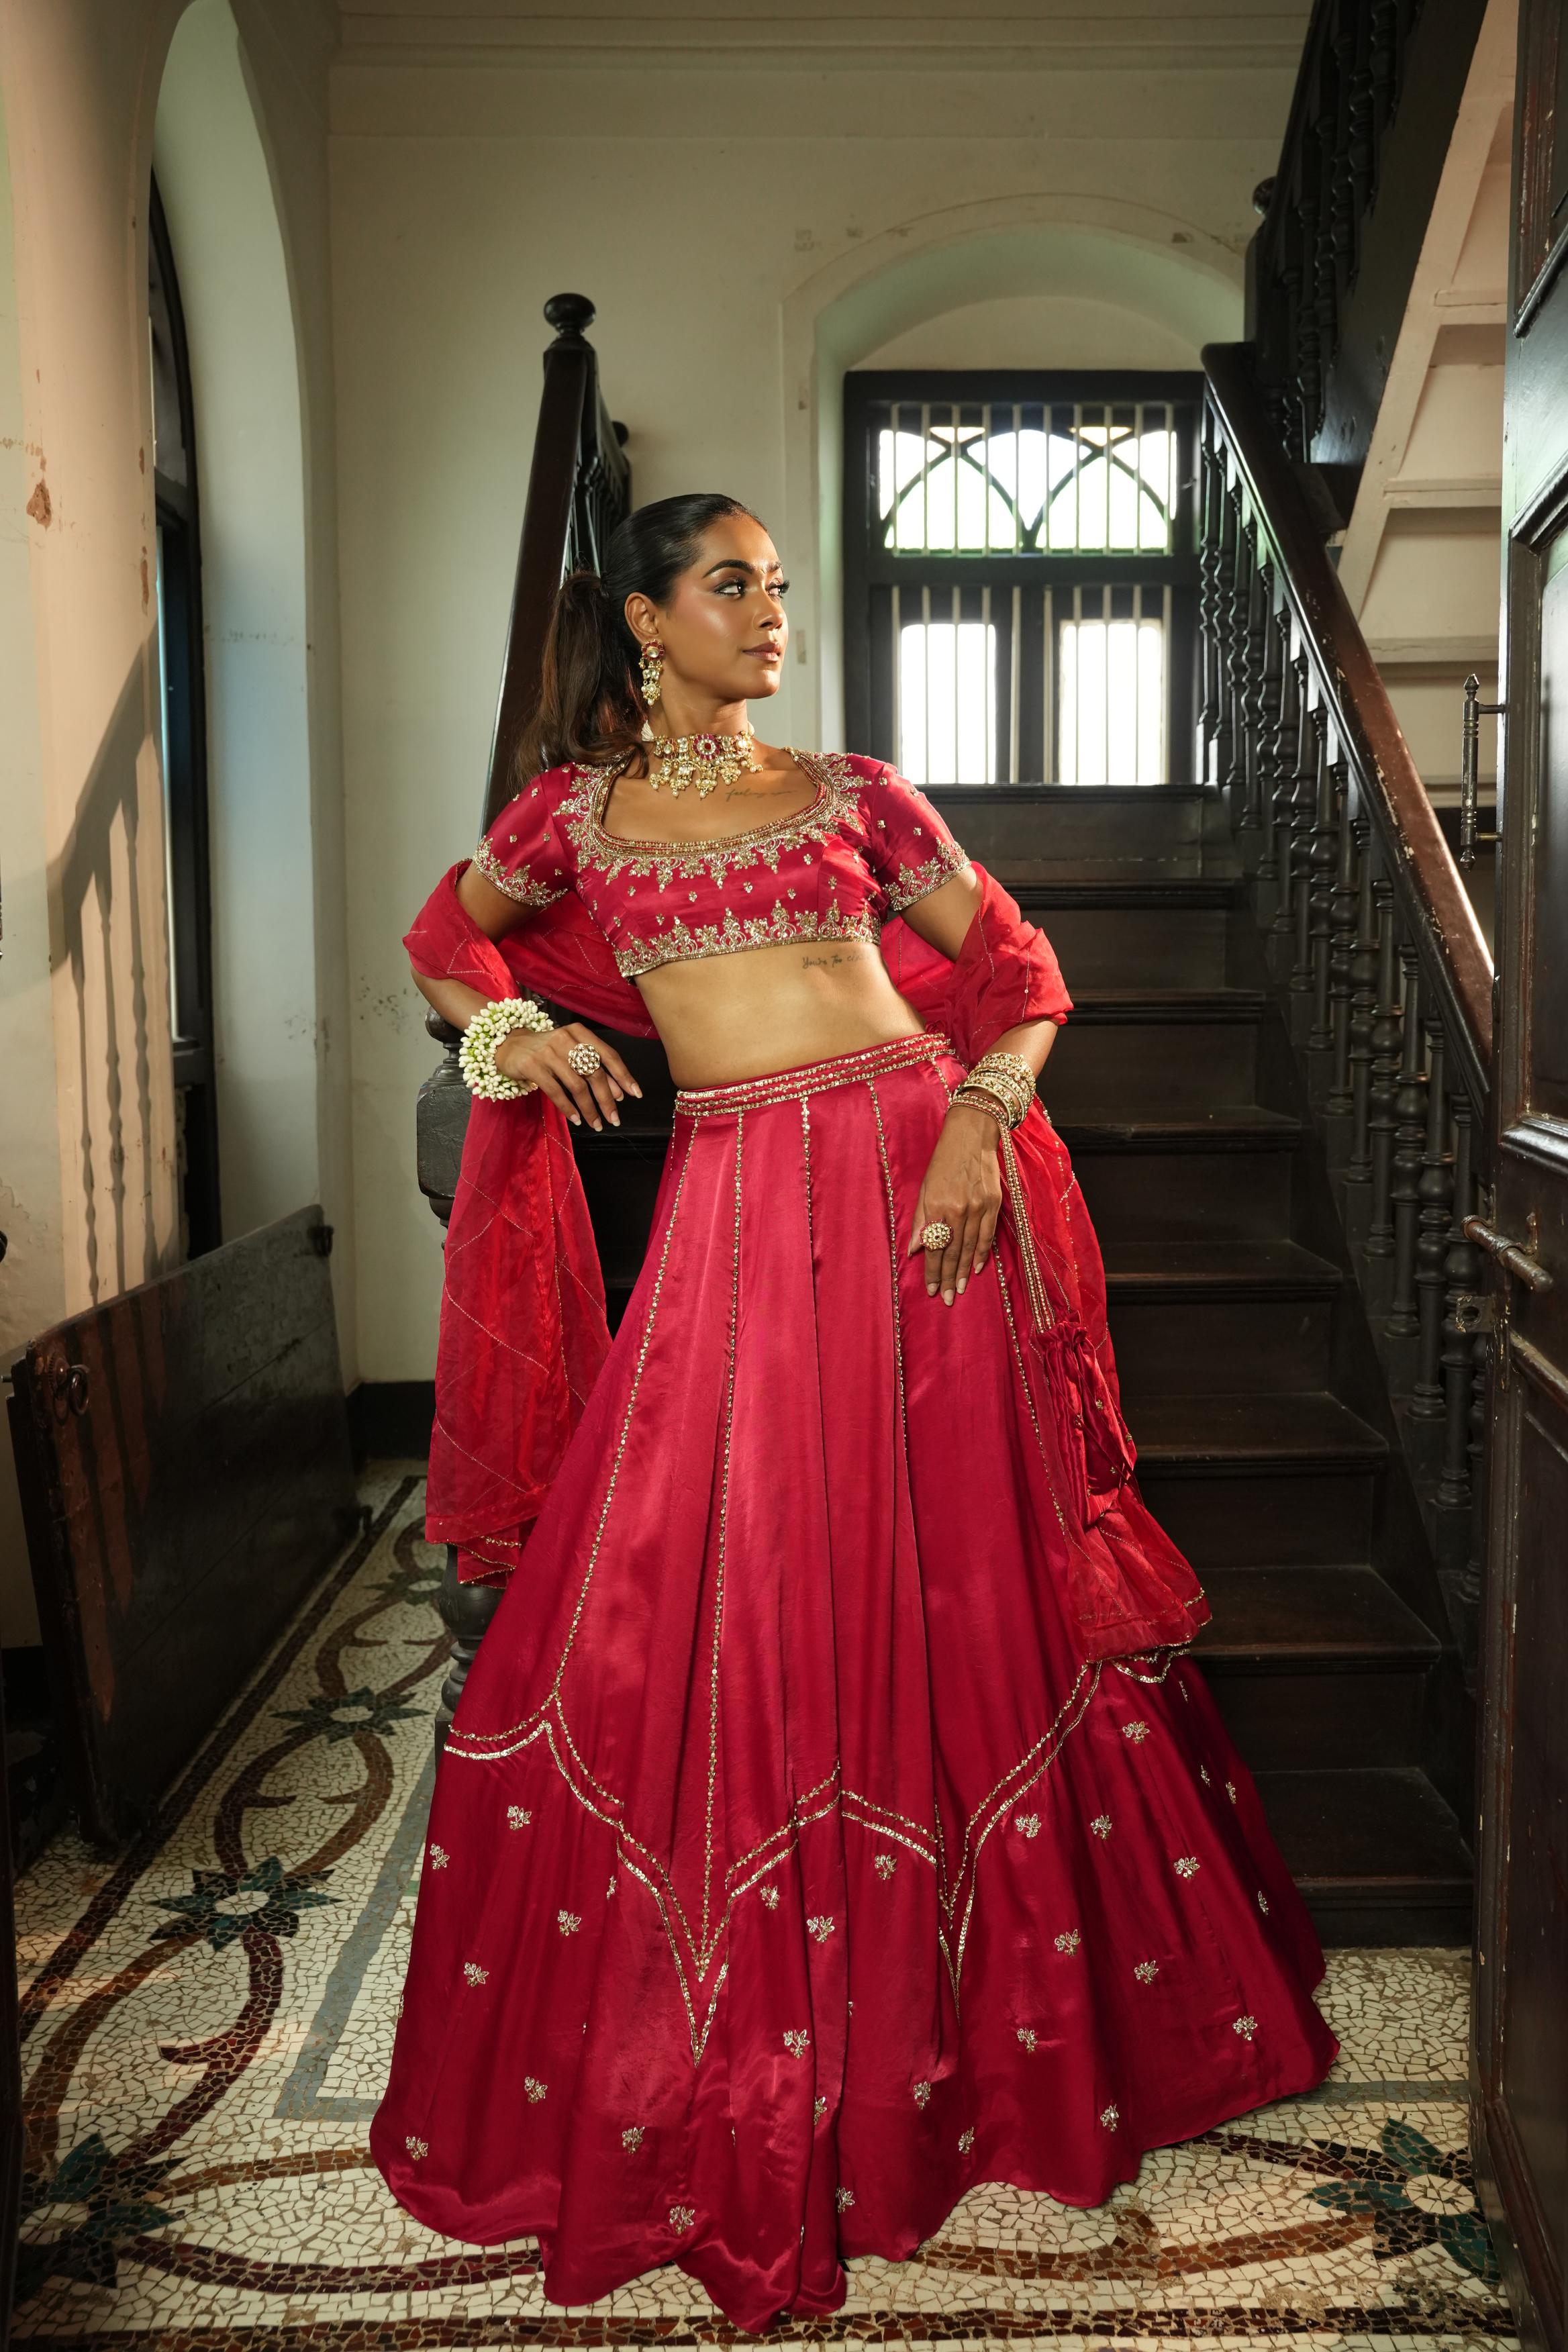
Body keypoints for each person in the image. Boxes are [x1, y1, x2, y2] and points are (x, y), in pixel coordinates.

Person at [372, 493, 1336, 2329]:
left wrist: (981, 1122)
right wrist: (523, 1037)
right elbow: (449, 945)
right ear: (649, 623)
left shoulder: (863, 795)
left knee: (971, 1584)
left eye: (782, 585)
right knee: (693, 1587)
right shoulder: (567, 820)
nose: (770, 611)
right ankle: (744, 2042)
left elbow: (1023, 975)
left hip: (921, 1198)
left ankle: (1002, 2050)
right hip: (736, 1216)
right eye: (733, 585)